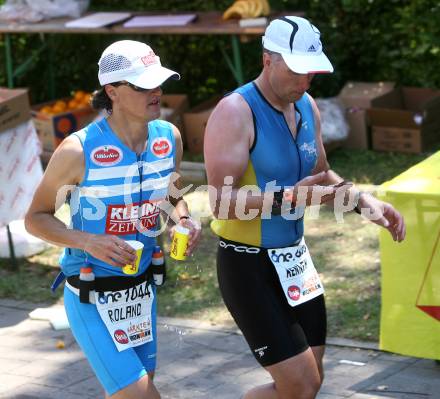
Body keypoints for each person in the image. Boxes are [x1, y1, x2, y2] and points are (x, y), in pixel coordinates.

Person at [204, 16, 406, 399]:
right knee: (299, 384)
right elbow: (220, 203)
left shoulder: (306, 105)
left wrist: (363, 201)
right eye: (297, 71)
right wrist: (288, 199)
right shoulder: (235, 111)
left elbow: (322, 173)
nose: (305, 81)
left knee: (309, 383)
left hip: (294, 260)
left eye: (311, 72)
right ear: (268, 59)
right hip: (248, 264)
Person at [25, 40, 201, 399]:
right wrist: (88, 241)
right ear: (113, 92)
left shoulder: (170, 137)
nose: (156, 92)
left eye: (158, 82)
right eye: (142, 85)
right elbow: (35, 218)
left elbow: (171, 193)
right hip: (91, 294)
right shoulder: (78, 150)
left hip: (141, 292)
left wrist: (182, 218)